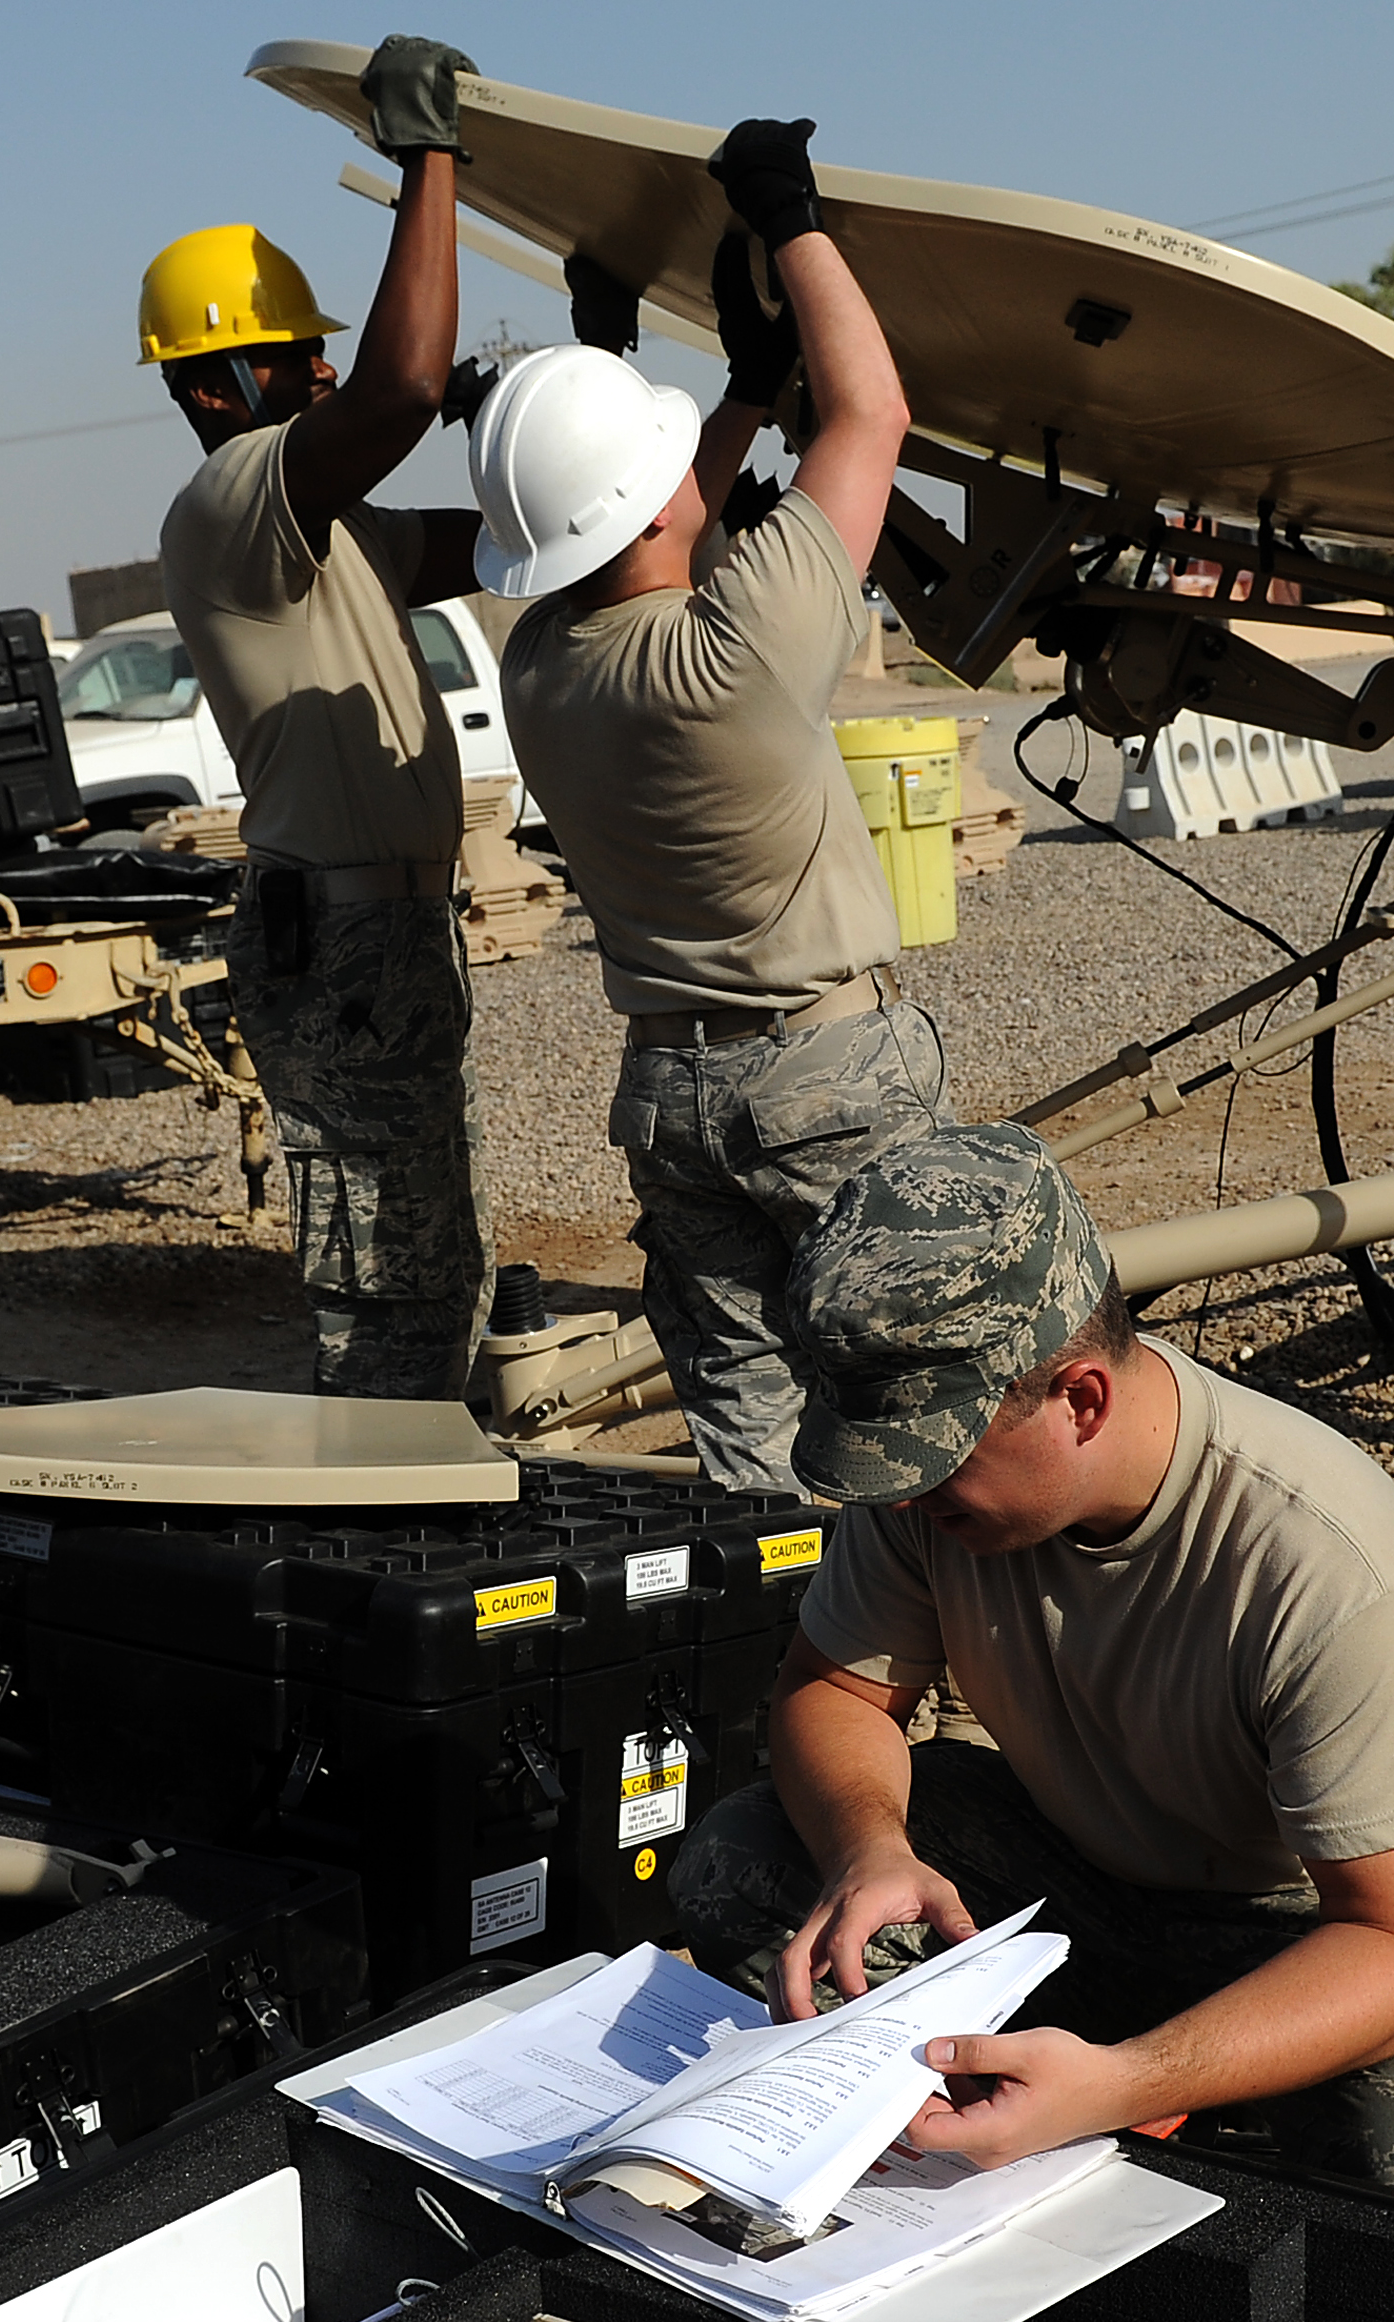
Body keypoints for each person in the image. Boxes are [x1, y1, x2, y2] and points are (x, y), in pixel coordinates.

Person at [664, 1123, 1394, 2225]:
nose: (902, 1496)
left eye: (931, 1461)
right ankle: (1124, 2093)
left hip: (1307, 1915)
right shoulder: (932, 1499)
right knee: (746, 1863)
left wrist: (1124, 2083)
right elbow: (835, 1688)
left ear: (1080, 1400)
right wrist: (869, 1850)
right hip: (1079, 1872)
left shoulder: (1318, 1552)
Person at [469, 118, 938, 1493]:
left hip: (671, 1094)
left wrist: (719, 387)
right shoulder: (740, 648)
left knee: (749, 1419)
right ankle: (913, 1615)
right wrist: (790, 217)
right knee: (912, 1390)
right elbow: (873, 417)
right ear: (651, 503)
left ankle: (773, 1609)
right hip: (823, 1076)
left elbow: (632, 528)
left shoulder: (536, 663)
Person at [144, 33, 493, 1398]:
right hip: (342, 941)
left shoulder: (336, 530)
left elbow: (522, 539)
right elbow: (401, 387)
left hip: (384, 935)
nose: (326, 376)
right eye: (295, 360)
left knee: (429, 1270)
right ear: (210, 388)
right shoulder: (231, 501)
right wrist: (426, 159)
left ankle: (409, 1469)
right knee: (388, 1292)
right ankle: (379, 1497)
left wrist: (552, 414)